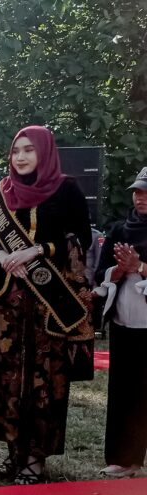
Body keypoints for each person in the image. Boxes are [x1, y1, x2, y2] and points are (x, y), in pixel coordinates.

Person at [0, 126, 92, 485]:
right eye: (16, 151)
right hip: (6, 304)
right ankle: (14, 451)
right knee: (7, 377)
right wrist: (0, 255)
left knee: (44, 378)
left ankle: (35, 457)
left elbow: (81, 238)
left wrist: (38, 250)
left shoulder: (66, 188)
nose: (21, 157)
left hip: (48, 303)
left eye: (29, 150)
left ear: (45, 152)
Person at [94, 167, 147, 478]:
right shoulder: (118, 230)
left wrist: (140, 266)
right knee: (123, 389)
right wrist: (117, 270)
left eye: (146, 193)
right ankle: (122, 457)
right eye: (137, 191)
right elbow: (101, 273)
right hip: (123, 319)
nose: (140, 197)